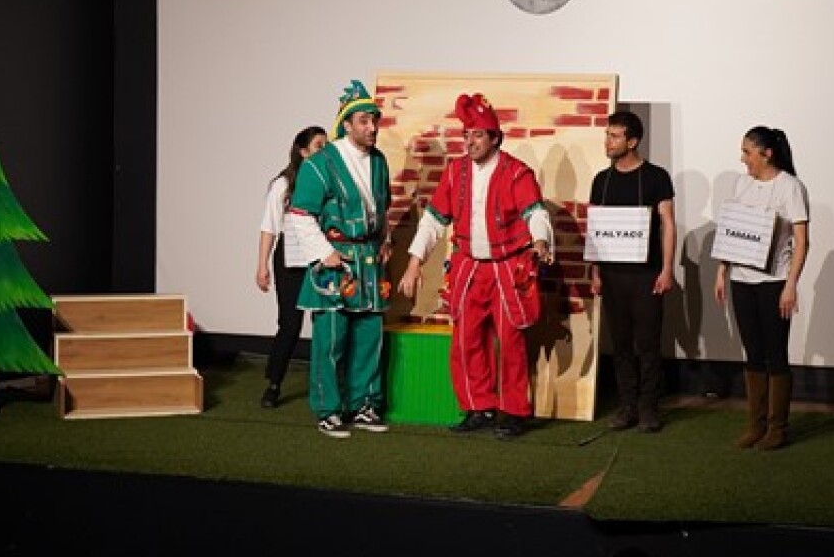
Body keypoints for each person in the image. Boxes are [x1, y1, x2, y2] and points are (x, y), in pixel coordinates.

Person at [398, 93, 554, 439]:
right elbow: (433, 220)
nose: (469, 142)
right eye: (466, 135)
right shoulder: (455, 172)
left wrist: (541, 240)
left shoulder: (516, 172)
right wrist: (414, 263)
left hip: (508, 267)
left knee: (511, 341)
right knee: (466, 339)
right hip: (469, 266)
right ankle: (477, 406)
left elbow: (535, 212)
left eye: (478, 135)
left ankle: (513, 412)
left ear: (495, 138)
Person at [288, 80, 393, 438]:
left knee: (369, 338)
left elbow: (382, 208)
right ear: (346, 124)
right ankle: (329, 410)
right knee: (331, 340)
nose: (372, 127)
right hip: (336, 261)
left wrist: (385, 239)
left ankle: (365, 405)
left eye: (375, 120)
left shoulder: (379, 162)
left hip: (369, 261)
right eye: (364, 121)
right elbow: (300, 214)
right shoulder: (320, 164)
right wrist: (324, 253)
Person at [713, 125, 809, 450]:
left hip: (774, 282)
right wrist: (722, 270)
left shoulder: (790, 187)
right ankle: (756, 425)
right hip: (741, 280)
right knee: (753, 352)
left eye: (747, 152)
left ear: (766, 154)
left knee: (775, 353)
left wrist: (791, 285)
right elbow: (731, 228)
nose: (743, 159)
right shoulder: (742, 184)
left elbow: (802, 242)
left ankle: (777, 428)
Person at [588, 110, 676, 434]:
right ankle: (627, 407)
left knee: (648, 344)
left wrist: (667, 269)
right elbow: (595, 228)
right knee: (621, 344)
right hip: (612, 275)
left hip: (646, 274)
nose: (607, 142)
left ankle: (649, 408)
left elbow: (668, 224)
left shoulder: (656, 177)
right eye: (607, 135)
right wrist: (595, 272)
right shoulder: (602, 180)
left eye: (614, 136)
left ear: (633, 141)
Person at [255, 125, 329, 409]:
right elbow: (269, 227)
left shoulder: (330, 180)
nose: (324, 151)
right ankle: (273, 384)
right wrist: (262, 265)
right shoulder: (284, 184)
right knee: (290, 324)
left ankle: (328, 386)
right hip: (291, 261)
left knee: (326, 324)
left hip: (321, 259)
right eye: (319, 146)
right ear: (303, 151)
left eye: (327, 145)